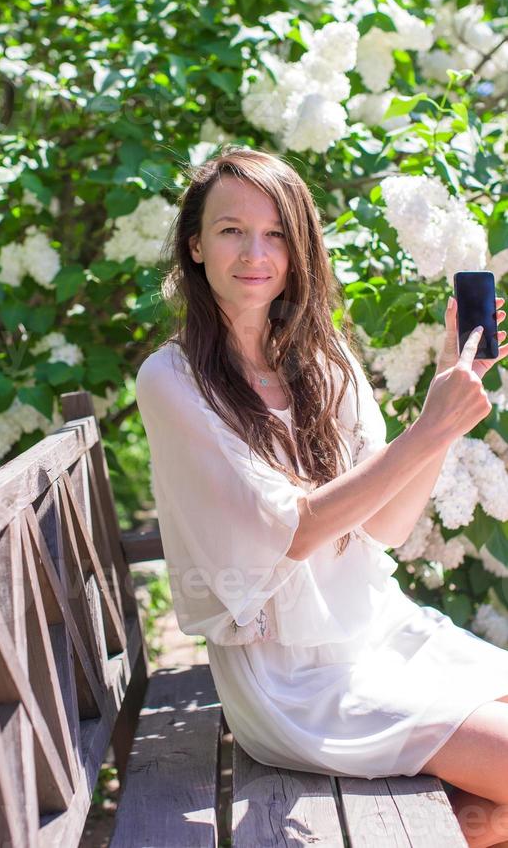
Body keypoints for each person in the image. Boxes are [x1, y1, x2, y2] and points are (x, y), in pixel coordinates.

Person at [134, 146, 508, 848]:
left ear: (299, 247)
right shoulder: (172, 379)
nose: (255, 252)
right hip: (294, 684)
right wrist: (426, 428)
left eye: (276, 233)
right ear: (195, 245)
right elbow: (294, 532)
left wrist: (440, 419)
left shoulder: (325, 361)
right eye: (230, 230)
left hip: (380, 635)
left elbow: (388, 527)